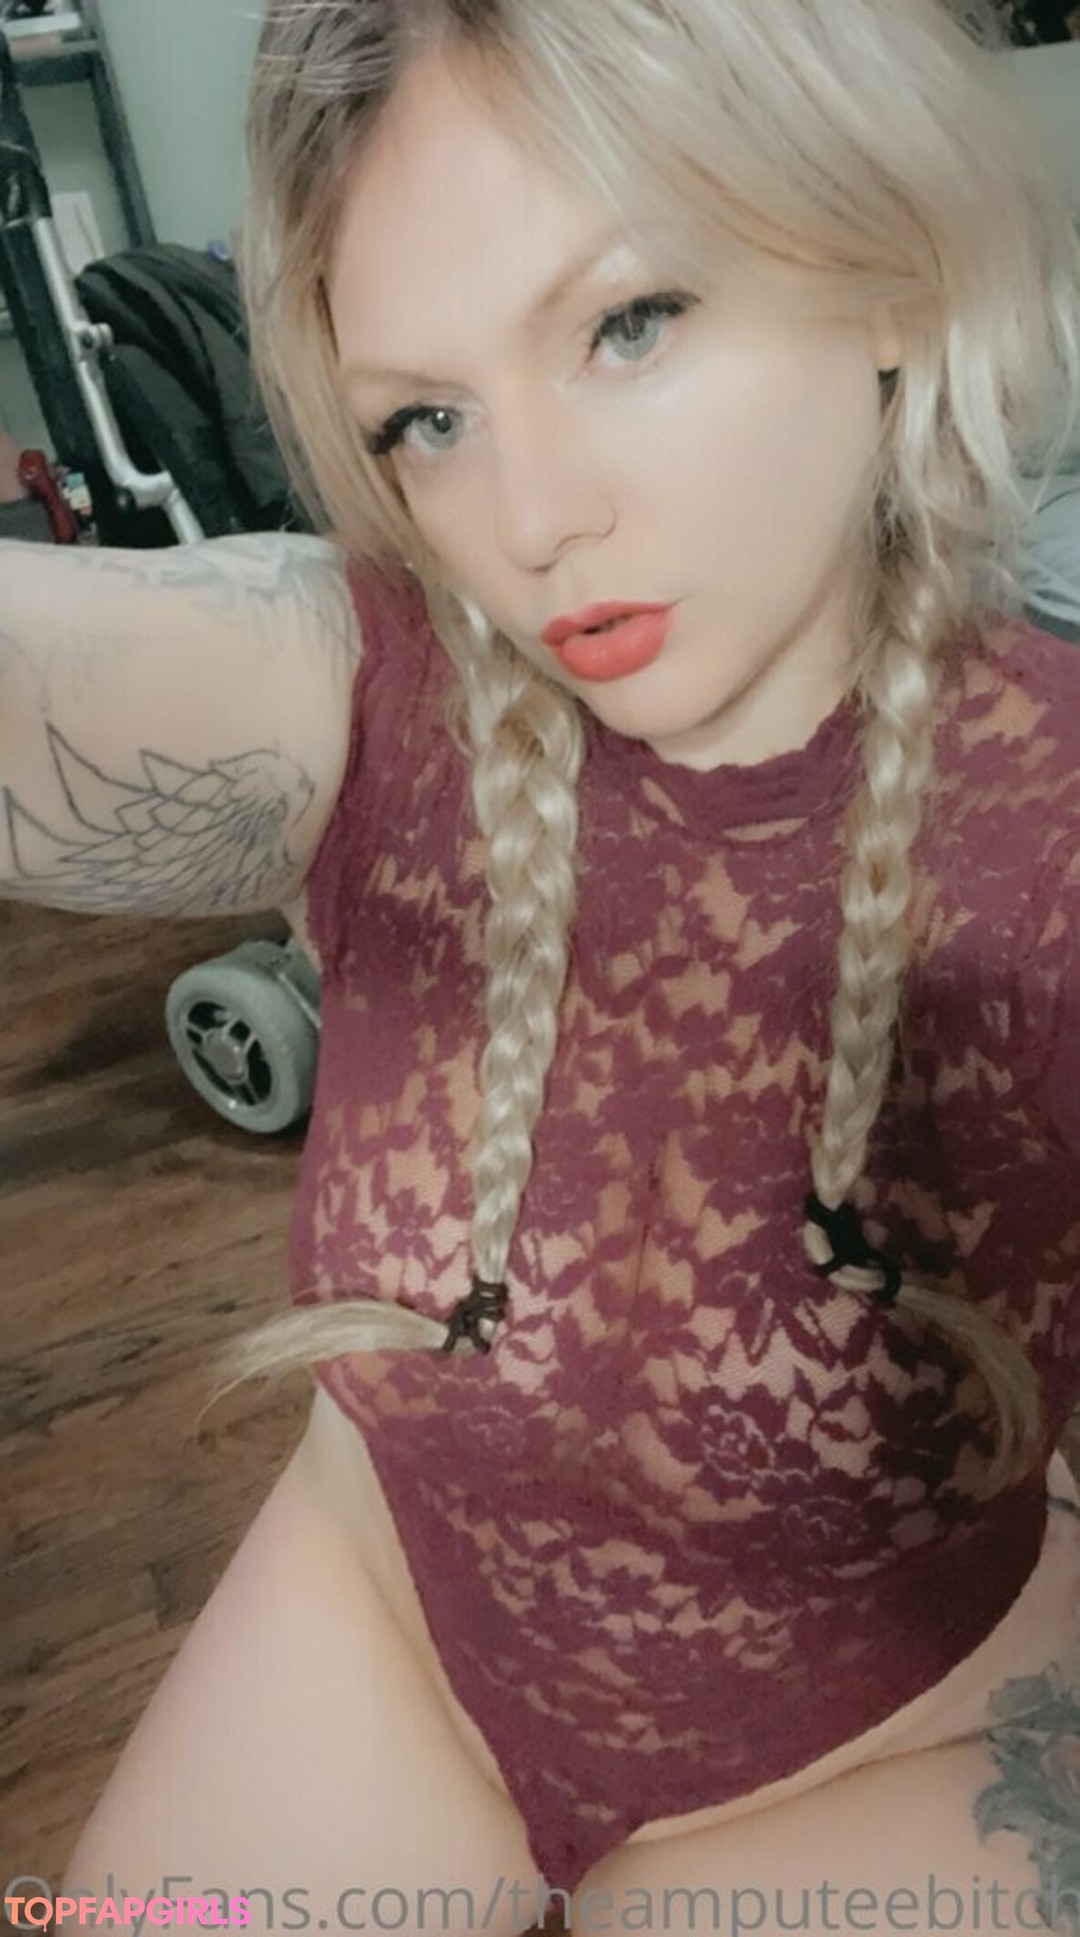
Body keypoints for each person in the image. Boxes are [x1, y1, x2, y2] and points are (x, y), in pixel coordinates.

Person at [0, 1, 1077, 1932]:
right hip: (393, 1614)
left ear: (889, 269)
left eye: (628, 323)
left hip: (899, 1740)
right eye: (429, 418)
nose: (531, 519)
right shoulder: (382, 688)